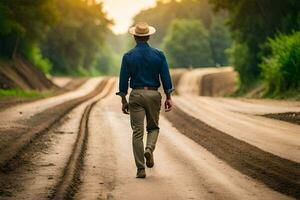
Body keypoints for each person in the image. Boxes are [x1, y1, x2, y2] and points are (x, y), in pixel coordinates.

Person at [116, 22, 174, 178]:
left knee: (137, 133)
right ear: (148, 36)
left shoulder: (128, 56)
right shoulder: (159, 55)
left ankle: (140, 169)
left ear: (135, 37)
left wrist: (123, 99)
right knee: (153, 128)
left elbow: (123, 80)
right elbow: (165, 77)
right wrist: (168, 96)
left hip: (136, 95)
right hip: (153, 95)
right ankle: (149, 149)